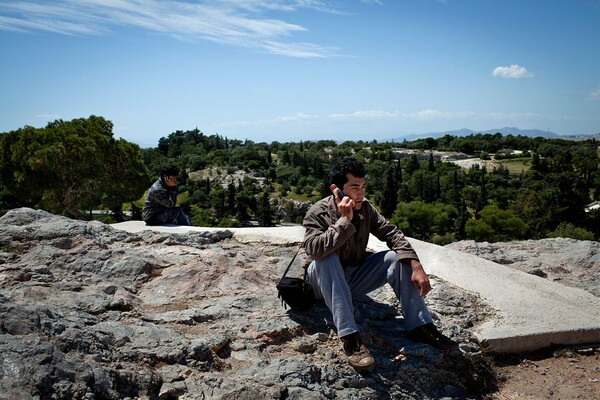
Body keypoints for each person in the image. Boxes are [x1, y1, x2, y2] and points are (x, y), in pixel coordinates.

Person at [302, 157, 457, 370]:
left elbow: (391, 233)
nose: (360, 193)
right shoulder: (317, 212)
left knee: (396, 257)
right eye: (354, 187)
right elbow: (314, 250)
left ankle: (420, 326)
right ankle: (351, 339)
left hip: (351, 278)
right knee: (327, 258)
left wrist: (415, 264)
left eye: (363, 187)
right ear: (335, 189)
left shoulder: (366, 209)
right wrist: (343, 222)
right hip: (321, 281)